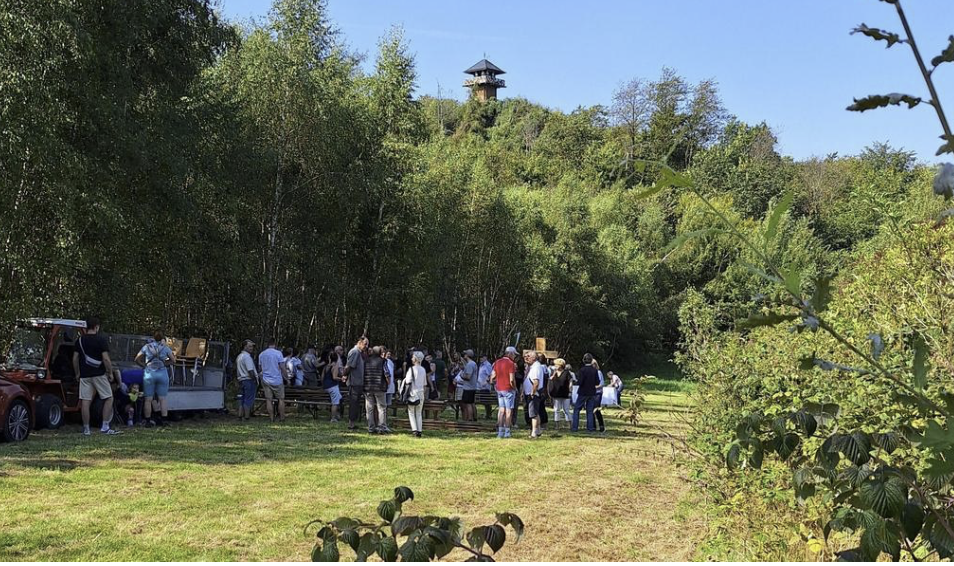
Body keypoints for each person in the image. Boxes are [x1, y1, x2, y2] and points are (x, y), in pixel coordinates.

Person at [73, 316, 120, 436]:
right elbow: (105, 359)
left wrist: (77, 373)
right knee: (108, 398)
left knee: (85, 401)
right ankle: (105, 426)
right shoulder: (101, 340)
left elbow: (75, 358)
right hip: (99, 374)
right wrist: (110, 373)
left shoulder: (79, 341)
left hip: (84, 375)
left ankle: (86, 429)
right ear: (97, 327)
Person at [135, 331, 175, 427]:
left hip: (149, 374)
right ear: (162, 339)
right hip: (162, 373)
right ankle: (164, 420)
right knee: (162, 399)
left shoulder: (147, 347)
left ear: (153, 338)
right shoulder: (165, 348)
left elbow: (136, 359)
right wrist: (165, 364)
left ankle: (148, 421)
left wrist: (144, 365)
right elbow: (173, 360)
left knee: (148, 399)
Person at [490, 346, 518, 438]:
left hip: (499, 389)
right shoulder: (511, 363)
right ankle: (507, 432)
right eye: (514, 355)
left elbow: (492, 377)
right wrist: (515, 388)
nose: (515, 357)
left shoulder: (497, 362)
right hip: (508, 389)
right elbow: (511, 379)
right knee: (509, 411)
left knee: (501, 410)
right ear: (510, 354)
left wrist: (495, 384)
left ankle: (500, 432)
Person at [258, 338, 288, 422]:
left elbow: (260, 368)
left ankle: (271, 418)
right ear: (275, 344)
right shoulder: (278, 353)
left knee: (269, 399)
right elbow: (282, 367)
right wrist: (286, 377)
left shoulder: (262, 354)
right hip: (277, 380)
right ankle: (282, 418)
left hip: (266, 380)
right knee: (281, 399)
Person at [342, 336, 368, 430]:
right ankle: (351, 423)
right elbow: (349, 366)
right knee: (353, 402)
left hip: (359, 382)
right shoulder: (355, 352)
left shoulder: (360, 353)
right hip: (354, 382)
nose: (366, 346)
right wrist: (344, 375)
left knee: (356, 403)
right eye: (365, 344)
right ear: (359, 342)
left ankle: (353, 422)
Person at [364, 346, 390, 434]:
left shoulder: (366, 360)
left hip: (368, 387)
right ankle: (381, 427)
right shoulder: (383, 361)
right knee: (381, 407)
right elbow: (386, 373)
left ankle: (371, 428)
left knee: (369, 408)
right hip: (380, 387)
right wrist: (388, 383)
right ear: (380, 352)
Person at [401, 351, 428, 437]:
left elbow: (408, 381)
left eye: (413, 357)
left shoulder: (411, 369)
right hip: (421, 393)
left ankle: (414, 430)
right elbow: (425, 383)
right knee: (419, 413)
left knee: (411, 412)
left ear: (415, 359)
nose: (412, 358)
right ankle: (420, 430)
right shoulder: (423, 370)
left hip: (413, 392)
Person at [572, 354, 600, 433]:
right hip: (592, 392)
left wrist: (577, 382)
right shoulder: (594, 370)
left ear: (583, 360)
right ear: (591, 360)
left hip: (583, 392)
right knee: (590, 411)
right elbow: (597, 382)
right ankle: (590, 428)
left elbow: (580, 382)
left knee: (577, 409)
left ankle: (575, 427)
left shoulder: (582, 370)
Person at [523, 351, 544, 438]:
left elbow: (536, 382)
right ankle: (538, 430)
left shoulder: (536, 367)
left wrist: (532, 392)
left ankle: (534, 432)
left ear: (533, 358)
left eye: (528, 356)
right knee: (534, 412)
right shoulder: (532, 367)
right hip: (530, 392)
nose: (526, 358)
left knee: (533, 413)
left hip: (533, 393)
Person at [235, 339, 258, 421]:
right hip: (248, 380)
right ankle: (247, 417)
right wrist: (255, 379)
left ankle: (239, 416)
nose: (251, 348)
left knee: (241, 398)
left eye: (252, 346)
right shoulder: (247, 357)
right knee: (248, 399)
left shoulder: (239, 356)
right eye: (250, 346)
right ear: (245, 346)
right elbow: (250, 370)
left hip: (240, 379)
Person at [549, 358, 572, 428]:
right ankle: (557, 425)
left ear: (561, 365)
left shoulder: (566, 372)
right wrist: (553, 375)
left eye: (556, 365)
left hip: (565, 393)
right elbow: (550, 380)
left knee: (566, 410)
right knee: (556, 409)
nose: (555, 366)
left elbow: (570, 382)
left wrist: (570, 390)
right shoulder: (554, 372)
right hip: (556, 393)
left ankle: (570, 425)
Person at [320, 348, 342, 422]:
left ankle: (336, 415)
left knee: (337, 398)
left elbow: (322, 377)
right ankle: (333, 418)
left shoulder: (326, 366)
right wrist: (341, 379)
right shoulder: (335, 366)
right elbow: (334, 377)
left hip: (326, 386)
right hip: (333, 386)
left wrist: (323, 384)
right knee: (335, 403)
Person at [460, 349, 478, 421]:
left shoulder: (470, 364)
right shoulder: (473, 363)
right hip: (472, 387)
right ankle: (474, 417)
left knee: (468, 404)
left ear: (467, 355)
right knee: (471, 403)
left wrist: (462, 375)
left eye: (465, 354)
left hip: (468, 387)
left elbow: (468, 377)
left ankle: (469, 418)